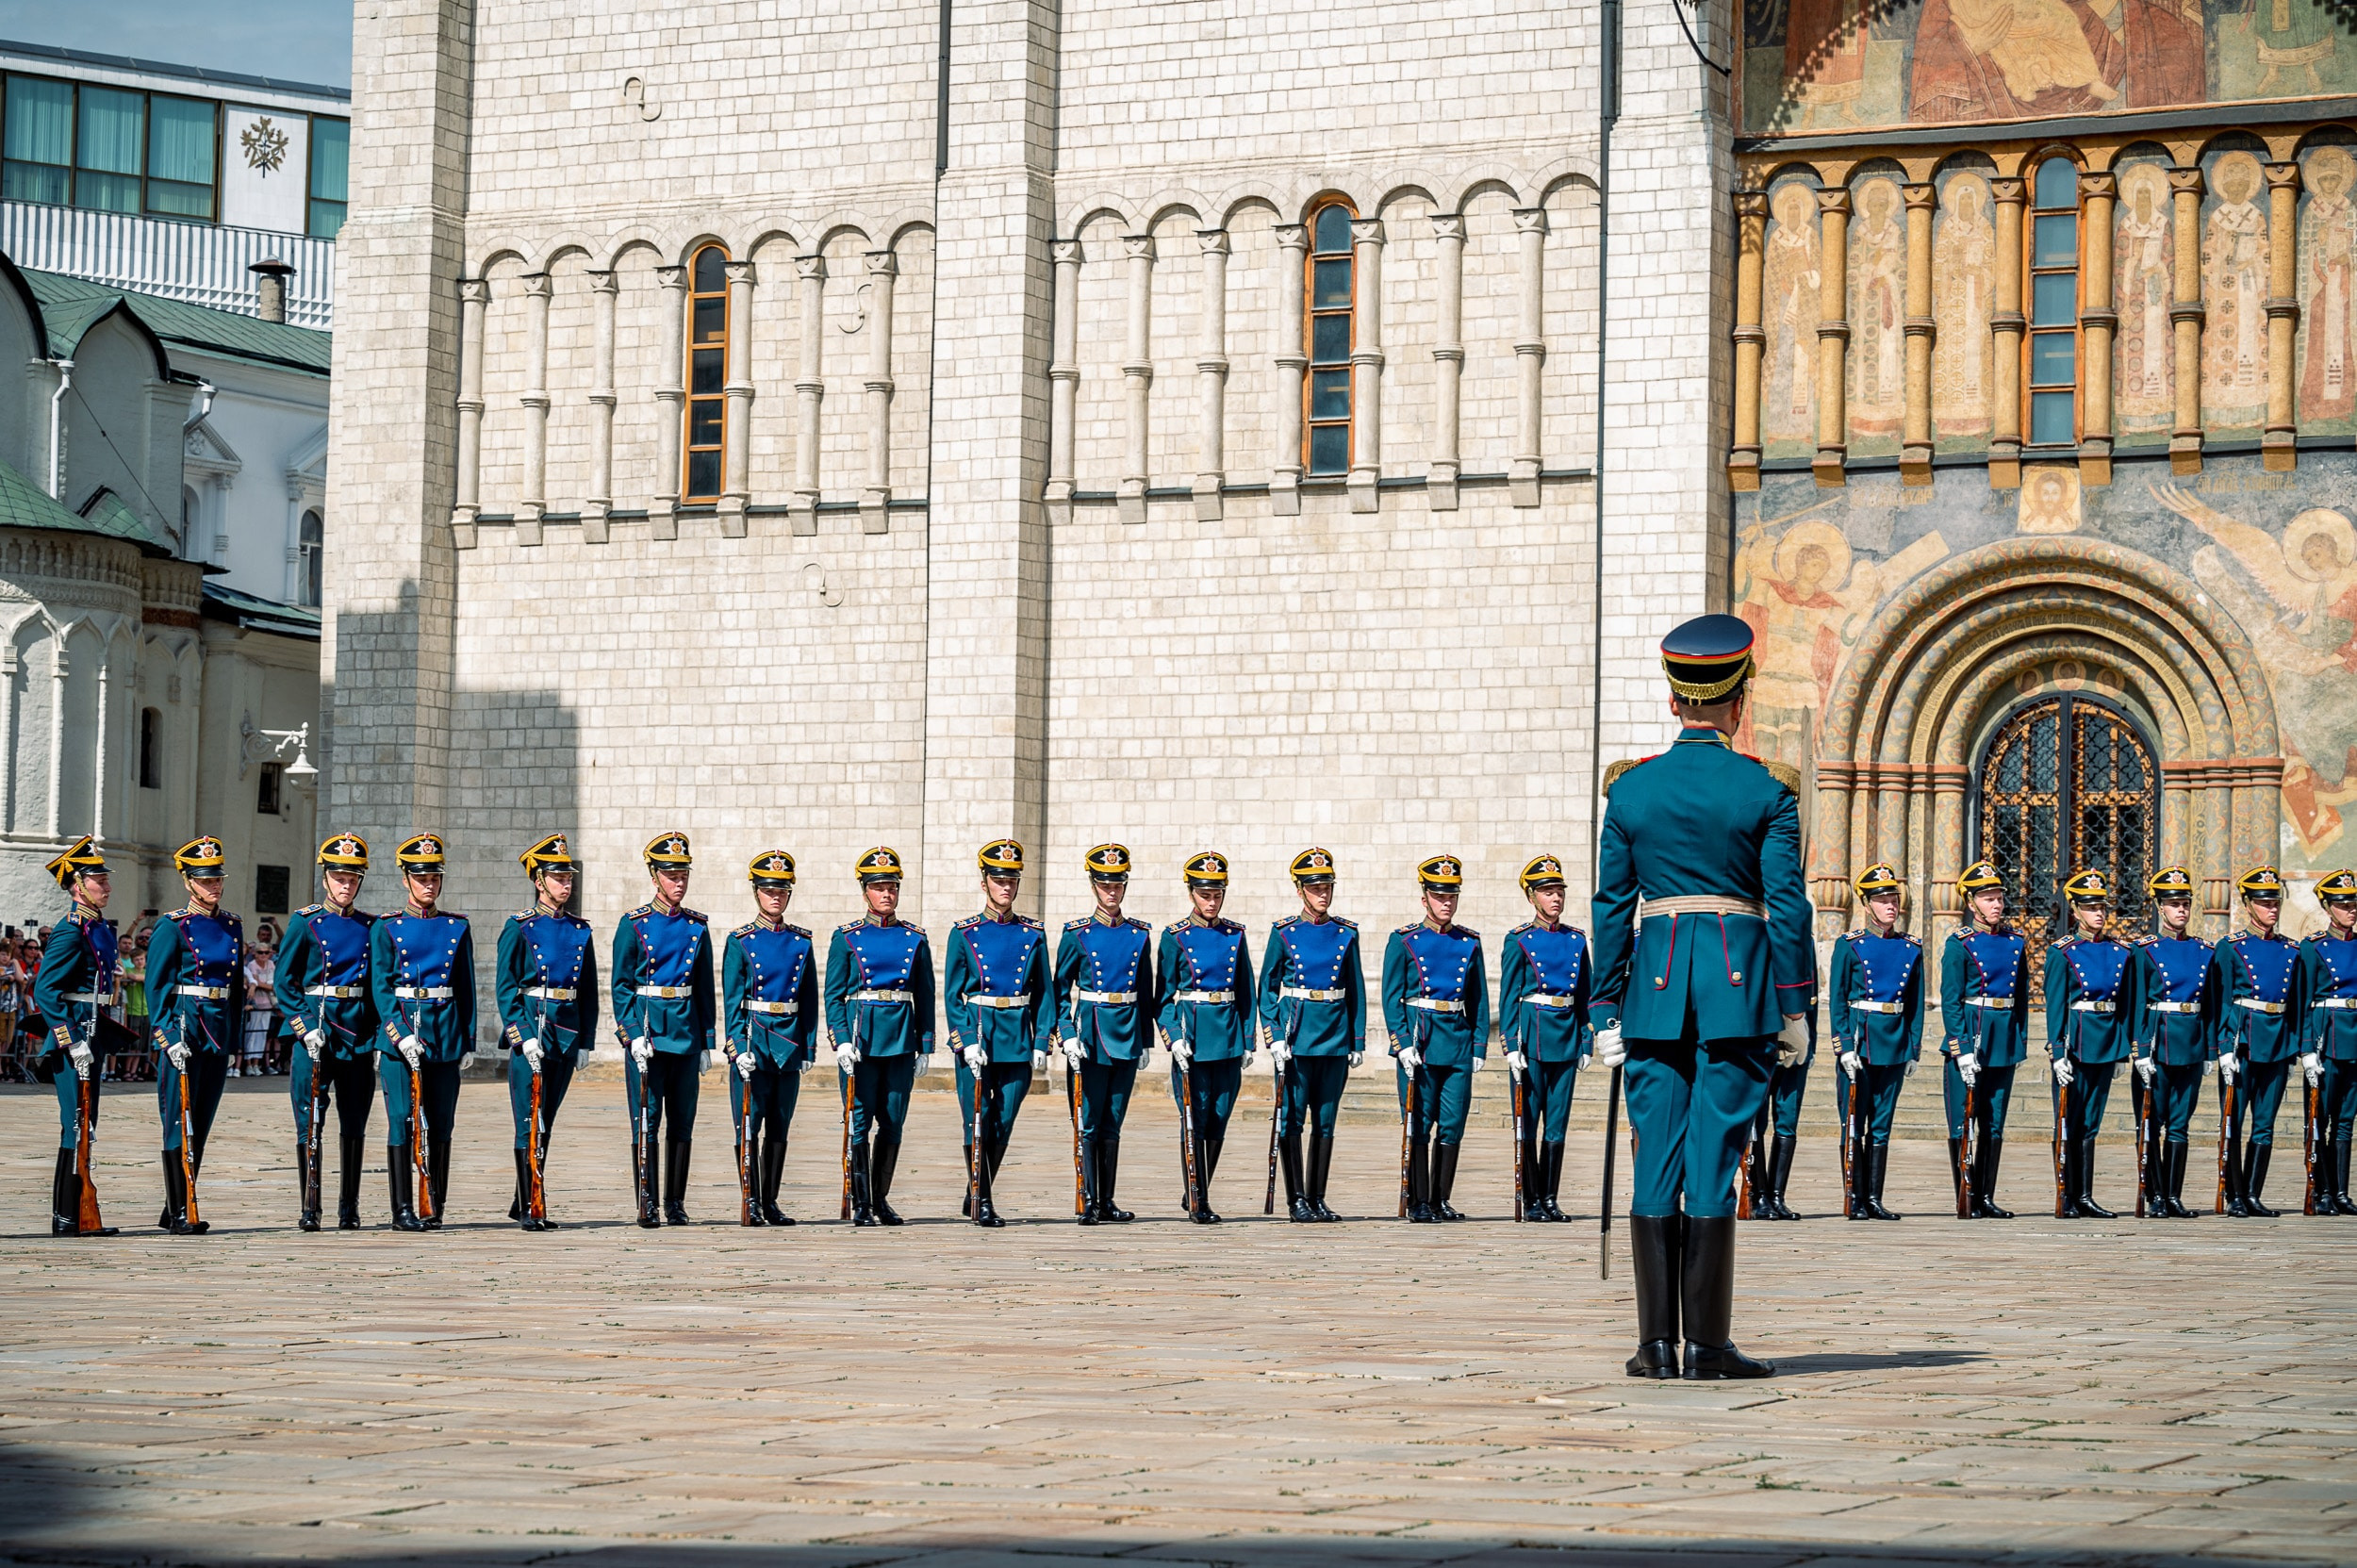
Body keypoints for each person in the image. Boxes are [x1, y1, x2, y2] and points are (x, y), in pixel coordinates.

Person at [1591, 614, 1812, 1381]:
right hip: (1737, 991)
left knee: (1657, 1157)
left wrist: (1603, 1009)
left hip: (1651, 995)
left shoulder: (1631, 788)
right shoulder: (1767, 788)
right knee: (1715, 1160)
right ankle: (1709, 1347)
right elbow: (1787, 906)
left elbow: (1611, 907)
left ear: (1675, 696)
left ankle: (1656, 1346)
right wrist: (1794, 1006)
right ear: (1739, 695)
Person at [274, 834, 381, 1230]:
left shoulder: (371, 926)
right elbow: (285, 983)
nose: (345, 884)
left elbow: (376, 986)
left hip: (355, 1034)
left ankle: (349, 1206)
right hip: (315, 1033)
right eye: (338, 876)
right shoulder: (305, 922)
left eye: (352, 878)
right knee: (310, 1122)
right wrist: (304, 1027)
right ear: (325, 879)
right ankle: (310, 1204)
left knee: (354, 1123)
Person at [371, 834, 477, 1230]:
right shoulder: (387, 928)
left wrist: (468, 1039)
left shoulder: (456, 927)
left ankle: (434, 1203)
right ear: (405, 880)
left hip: (445, 1033)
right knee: (402, 1120)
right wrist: (400, 1034)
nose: (428, 884)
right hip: (403, 1037)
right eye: (421, 878)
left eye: (434, 877)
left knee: (441, 1123)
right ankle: (401, 1208)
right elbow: (381, 990)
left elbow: (465, 988)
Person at [945, 839, 1053, 1228]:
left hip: (1016, 1038)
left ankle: (976, 1190)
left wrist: (1042, 1040)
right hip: (979, 1035)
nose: (1005, 887)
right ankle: (982, 1198)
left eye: (1011, 880)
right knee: (977, 1117)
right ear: (984, 883)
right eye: (998, 879)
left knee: (1003, 1119)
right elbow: (953, 995)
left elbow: (1044, 992)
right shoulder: (965, 932)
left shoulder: (1032, 933)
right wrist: (966, 1042)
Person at [824, 847, 935, 1225]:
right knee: (858, 1120)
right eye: (878, 887)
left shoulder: (914, 937)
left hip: (900, 1039)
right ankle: (860, 1201)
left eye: (891, 886)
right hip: (861, 1039)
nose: (886, 894)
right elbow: (834, 994)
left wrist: (925, 1044)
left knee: (892, 1120)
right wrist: (840, 1040)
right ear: (865, 891)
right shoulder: (846, 937)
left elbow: (925, 994)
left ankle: (880, 1199)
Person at [613, 831, 716, 1228]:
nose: (679, 882)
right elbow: (621, 986)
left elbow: (704, 988)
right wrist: (630, 1034)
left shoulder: (696, 927)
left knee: (682, 1122)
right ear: (654, 876)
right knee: (647, 1121)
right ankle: (647, 1201)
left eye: (683, 875)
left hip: (686, 1034)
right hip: (649, 1034)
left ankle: (675, 1201)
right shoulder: (634, 924)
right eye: (671, 875)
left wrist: (707, 1040)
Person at [497, 834, 599, 1231]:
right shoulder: (519, 927)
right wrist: (522, 1035)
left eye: (568, 877)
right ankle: (531, 1206)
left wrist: (586, 1041)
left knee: (547, 1120)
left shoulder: (578, 930)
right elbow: (506, 988)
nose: (565, 884)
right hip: (533, 1032)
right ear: (539, 881)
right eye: (557, 877)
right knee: (529, 1119)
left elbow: (586, 990)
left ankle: (526, 1194)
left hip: (565, 1034)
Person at [1259, 849, 1367, 1222]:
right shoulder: (1285, 933)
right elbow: (1267, 988)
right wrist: (1273, 1035)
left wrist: (1356, 1041)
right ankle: (1297, 1200)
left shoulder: (1345, 933)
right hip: (1298, 1037)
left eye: (1327, 887)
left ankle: (1318, 1198)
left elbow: (1355, 990)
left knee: (1325, 1120)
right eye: (1315, 887)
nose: (1323, 893)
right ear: (1300, 890)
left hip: (1334, 1035)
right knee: (1292, 1118)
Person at [1382, 855, 1490, 1223]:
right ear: (1424, 897)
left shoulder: (1469, 942)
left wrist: (1478, 1045)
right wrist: (1402, 1044)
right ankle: (1419, 1200)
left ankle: (1441, 1199)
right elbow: (1391, 996)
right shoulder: (1405, 941)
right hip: (1421, 1040)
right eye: (1439, 896)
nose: (1446, 903)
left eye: (1452, 897)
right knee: (1419, 1123)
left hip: (1456, 1041)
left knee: (1452, 1123)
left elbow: (1478, 999)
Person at [146, 836, 245, 1236]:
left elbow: (235, 990)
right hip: (184, 1031)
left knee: (200, 1122)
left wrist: (233, 1041)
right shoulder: (172, 927)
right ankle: (180, 1208)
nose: (213, 885)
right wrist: (168, 1037)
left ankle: (178, 1203)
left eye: (217, 878)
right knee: (177, 1121)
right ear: (188, 881)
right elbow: (156, 990)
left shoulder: (232, 925)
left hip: (216, 1033)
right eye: (205, 880)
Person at [1056, 843, 1158, 1225]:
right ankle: (1086, 1197)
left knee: (1113, 1120)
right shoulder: (1077, 934)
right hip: (1092, 1035)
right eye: (1104, 884)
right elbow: (1058, 987)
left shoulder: (1138, 934)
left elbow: (1145, 991)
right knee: (1088, 1119)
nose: (1111, 891)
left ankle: (1106, 1200)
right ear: (1093, 885)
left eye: (1117, 884)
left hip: (1127, 1033)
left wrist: (1146, 1040)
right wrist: (1066, 1033)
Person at [1155, 851, 1259, 1219]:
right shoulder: (1175, 937)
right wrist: (1172, 1037)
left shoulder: (1235, 934)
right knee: (1194, 1119)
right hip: (1193, 1037)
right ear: (1191, 894)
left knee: (1218, 1119)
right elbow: (1164, 996)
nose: (1211, 901)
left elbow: (1246, 991)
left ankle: (1199, 1188)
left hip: (1227, 1037)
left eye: (1216, 894)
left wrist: (1248, 1040)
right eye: (1204, 894)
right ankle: (1197, 1196)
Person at [721, 850, 816, 1227]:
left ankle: (771, 1200)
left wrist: (808, 1047)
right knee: (750, 1124)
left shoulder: (801, 942)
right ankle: (750, 1199)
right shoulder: (741, 941)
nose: (775, 896)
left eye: (782, 890)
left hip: (788, 1043)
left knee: (779, 1125)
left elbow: (808, 999)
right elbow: (732, 1002)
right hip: (754, 1042)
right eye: (768, 889)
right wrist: (736, 1047)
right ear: (756, 892)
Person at [31, 835, 122, 1236]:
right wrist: (70, 1039)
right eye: (98, 880)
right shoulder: (71, 930)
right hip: (76, 1037)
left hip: (93, 1029)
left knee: (88, 1122)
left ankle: (76, 1214)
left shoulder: (96, 926)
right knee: (75, 1121)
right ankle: (67, 1216)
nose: (107, 886)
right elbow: (45, 990)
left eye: (105, 879)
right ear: (77, 885)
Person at [1828, 865, 1924, 1222]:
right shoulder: (1850, 945)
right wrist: (1844, 1047)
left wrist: (1913, 1048)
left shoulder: (1911, 947)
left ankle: (1874, 1198)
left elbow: (1915, 1003)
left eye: (1893, 898)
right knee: (1854, 1121)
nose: (1890, 905)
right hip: (1860, 1040)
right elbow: (1837, 1000)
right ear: (1866, 904)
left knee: (1881, 1125)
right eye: (1882, 900)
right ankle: (1853, 1197)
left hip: (1894, 1043)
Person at [1500, 854, 1592, 1222]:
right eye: (1547, 892)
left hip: (1566, 1035)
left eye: (1558, 891)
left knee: (1557, 1123)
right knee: (1530, 1121)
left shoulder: (1575, 939)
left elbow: (1585, 993)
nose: (1555, 898)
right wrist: (1509, 1045)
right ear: (1531, 897)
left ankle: (1550, 1198)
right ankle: (1533, 1198)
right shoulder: (1520, 940)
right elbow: (1508, 997)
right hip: (1533, 1038)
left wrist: (1586, 1042)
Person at [2209, 867, 2305, 1217]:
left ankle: (2252, 1193)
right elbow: (2219, 1002)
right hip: (2242, 1043)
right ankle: (2234, 1193)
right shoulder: (2231, 948)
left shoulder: (2292, 950)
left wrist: (2298, 1049)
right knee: (2233, 1120)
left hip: (2277, 1043)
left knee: (2265, 1124)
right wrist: (2221, 1049)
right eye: (2264, 902)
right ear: (2248, 905)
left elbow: (2295, 1003)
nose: (2272, 909)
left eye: (2275, 902)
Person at [2044, 869, 2136, 1218]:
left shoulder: (2119, 951)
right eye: (2090, 907)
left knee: (2091, 1125)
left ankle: (2084, 1196)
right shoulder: (2063, 952)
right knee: (2069, 1121)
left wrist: (2122, 1050)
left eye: (2101, 907)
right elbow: (2055, 1006)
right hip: (2076, 1044)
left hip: (2105, 1042)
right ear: (2075, 910)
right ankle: (2065, 1195)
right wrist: (2056, 1052)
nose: (2098, 913)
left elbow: (2124, 1003)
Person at [1939, 860, 2029, 1219]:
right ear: (1971, 903)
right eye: (1988, 898)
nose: (1996, 905)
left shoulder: (2015, 942)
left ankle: (1987, 1195)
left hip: (2002, 1039)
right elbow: (1951, 999)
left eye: (1999, 899)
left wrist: (2018, 1041)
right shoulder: (1960, 943)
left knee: (1994, 1123)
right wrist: (1960, 1050)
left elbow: (2020, 998)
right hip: (1971, 1039)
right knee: (1964, 1121)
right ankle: (1966, 1192)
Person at [2130, 867, 2217, 1220]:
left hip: (2191, 1042)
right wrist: (2138, 1049)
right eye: (2173, 904)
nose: (2180, 910)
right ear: (2159, 908)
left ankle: (2174, 1195)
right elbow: (2135, 1004)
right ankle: (2154, 1196)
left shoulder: (2204, 951)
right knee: (2153, 1121)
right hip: (2158, 1042)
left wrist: (2210, 1051)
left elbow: (2209, 1004)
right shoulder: (2145, 950)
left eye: (2185, 903)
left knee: (2180, 1124)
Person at [2299, 868, 2357, 1215]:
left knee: (2346, 1119)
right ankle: (2319, 1190)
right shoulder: (2314, 948)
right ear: (2327, 907)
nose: (2351, 909)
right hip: (2327, 1036)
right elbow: (2303, 1001)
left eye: (2353, 903)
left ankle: (2341, 1191)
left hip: (2354, 1037)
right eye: (2343, 904)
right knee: (2320, 1117)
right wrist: (2307, 1048)